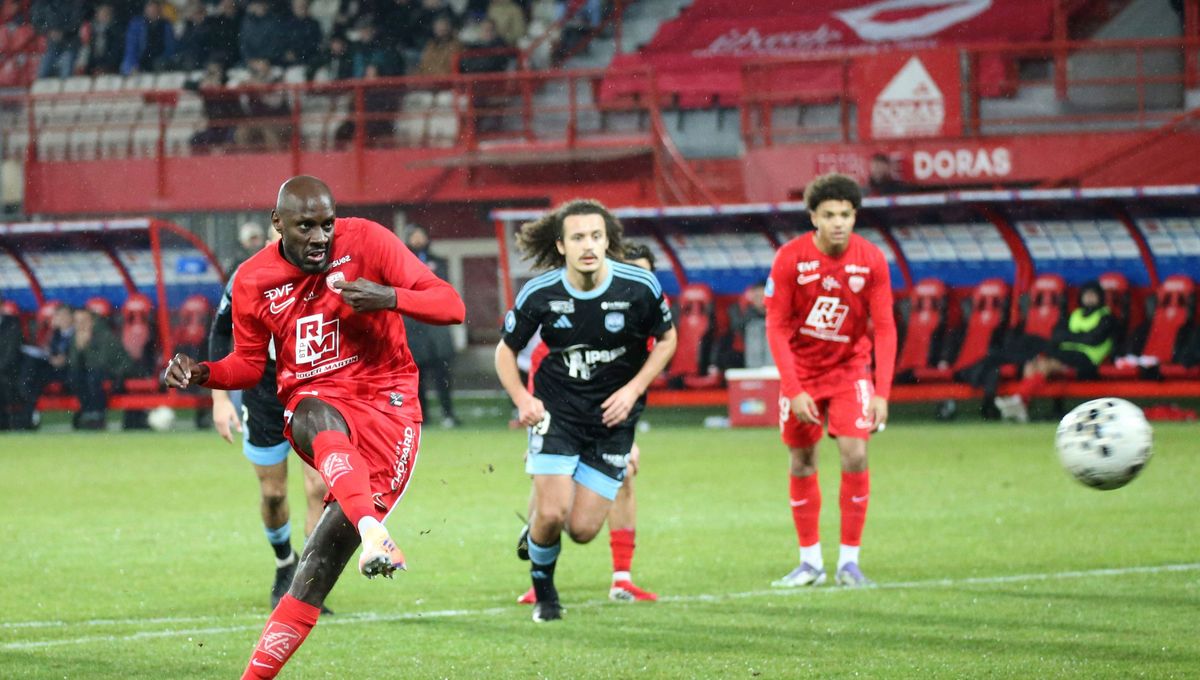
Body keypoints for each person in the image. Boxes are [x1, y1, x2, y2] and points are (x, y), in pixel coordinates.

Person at [163, 175, 465, 678]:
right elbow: (248, 364)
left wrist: (390, 297)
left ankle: (364, 531)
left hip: (389, 407)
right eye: (306, 226)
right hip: (315, 398)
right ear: (278, 224)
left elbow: (452, 306)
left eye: (327, 224)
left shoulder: (367, 241)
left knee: (313, 575)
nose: (321, 237)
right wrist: (204, 374)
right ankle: (373, 528)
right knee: (309, 411)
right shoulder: (252, 279)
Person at [495, 199, 677, 622]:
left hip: (613, 421)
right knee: (553, 512)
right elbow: (506, 351)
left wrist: (633, 390)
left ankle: (542, 518)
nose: (588, 245)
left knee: (581, 530)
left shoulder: (640, 286)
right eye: (578, 237)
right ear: (561, 245)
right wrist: (523, 399)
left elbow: (667, 339)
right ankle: (545, 595)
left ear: (608, 240)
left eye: (596, 236)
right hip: (556, 414)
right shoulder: (541, 292)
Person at [764, 173, 897, 588]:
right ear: (813, 218)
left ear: (855, 215)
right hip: (801, 373)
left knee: (855, 454)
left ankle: (849, 563)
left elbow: (887, 328)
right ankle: (810, 563)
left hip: (849, 371)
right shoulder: (790, 258)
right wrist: (793, 388)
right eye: (829, 215)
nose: (838, 222)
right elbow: (776, 327)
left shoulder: (871, 259)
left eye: (845, 214)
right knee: (803, 459)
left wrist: (882, 393)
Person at [209, 226, 332, 611]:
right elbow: (220, 330)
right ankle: (284, 563)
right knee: (273, 493)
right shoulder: (248, 274)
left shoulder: (325, 268)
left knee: (318, 487)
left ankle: (305, 585)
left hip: (313, 387)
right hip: (263, 391)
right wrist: (219, 399)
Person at [994, 280, 1116, 423]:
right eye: (1086, 295)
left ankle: (1021, 399)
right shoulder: (1075, 314)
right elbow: (1057, 334)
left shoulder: (1106, 316)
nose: (1089, 298)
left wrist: (1070, 337)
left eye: (1092, 295)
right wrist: (1079, 336)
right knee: (1034, 363)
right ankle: (1021, 404)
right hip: (1066, 356)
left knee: (1046, 361)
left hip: (1088, 359)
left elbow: (1093, 339)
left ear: (1100, 297)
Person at [403, 225, 460, 428]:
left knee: (442, 376)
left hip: (437, 329)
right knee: (417, 378)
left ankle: (448, 414)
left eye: (420, 235)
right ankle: (423, 416)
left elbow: (443, 287)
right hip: (413, 329)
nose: (418, 240)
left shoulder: (439, 262)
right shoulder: (401, 262)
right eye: (413, 237)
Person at [68, 307, 134, 430]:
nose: (80, 325)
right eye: (77, 322)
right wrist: (79, 349)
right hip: (95, 373)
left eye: (83, 321)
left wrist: (87, 346)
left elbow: (102, 363)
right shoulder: (76, 338)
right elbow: (73, 364)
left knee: (94, 376)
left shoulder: (105, 335)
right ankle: (88, 413)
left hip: (118, 372)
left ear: (92, 322)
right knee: (75, 376)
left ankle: (96, 415)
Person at [121, 0, 177, 75]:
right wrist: (132, 66)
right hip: (141, 63)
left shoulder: (166, 26)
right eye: (151, 8)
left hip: (160, 63)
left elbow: (170, 48)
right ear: (145, 9)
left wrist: (165, 61)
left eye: (155, 9)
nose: (153, 12)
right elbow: (131, 48)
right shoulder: (137, 25)